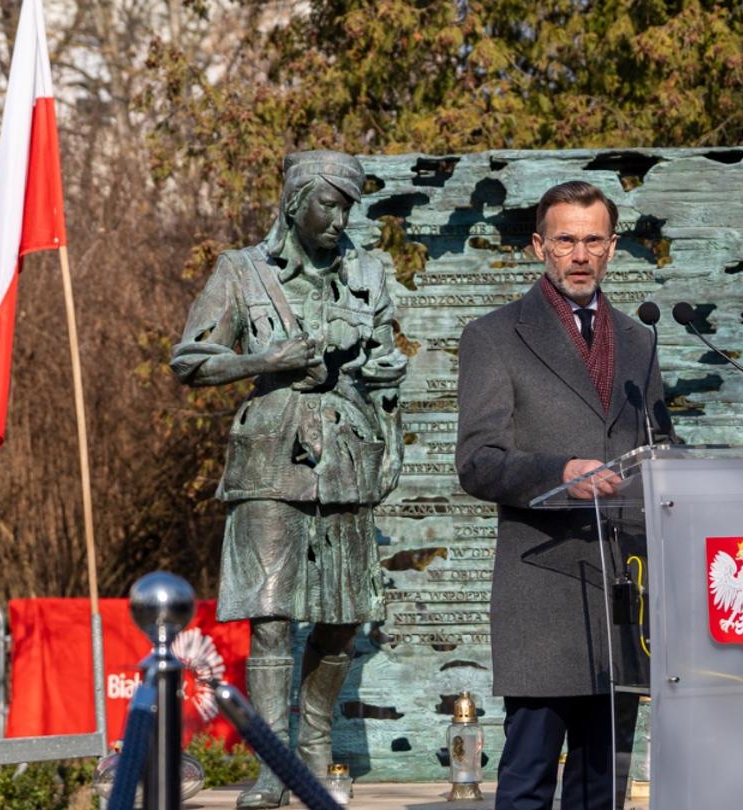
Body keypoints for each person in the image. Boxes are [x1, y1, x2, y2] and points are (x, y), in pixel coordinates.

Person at [171, 150, 407, 807]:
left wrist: (392, 420)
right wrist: (263, 360)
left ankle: (315, 746)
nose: (339, 219)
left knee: (345, 615)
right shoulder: (241, 271)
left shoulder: (367, 273)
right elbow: (189, 359)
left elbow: (386, 365)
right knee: (271, 617)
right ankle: (274, 763)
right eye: (329, 203)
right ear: (296, 201)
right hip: (270, 461)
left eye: (348, 206)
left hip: (349, 456)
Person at [455, 180, 670, 810]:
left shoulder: (639, 340)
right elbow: (478, 462)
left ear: (612, 248)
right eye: (565, 240)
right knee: (527, 785)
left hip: (620, 594)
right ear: (538, 247)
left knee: (601, 789)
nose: (580, 254)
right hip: (542, 597)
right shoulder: (493, 336)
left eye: (593, 240)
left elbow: (660, 447)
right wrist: (560, 470)